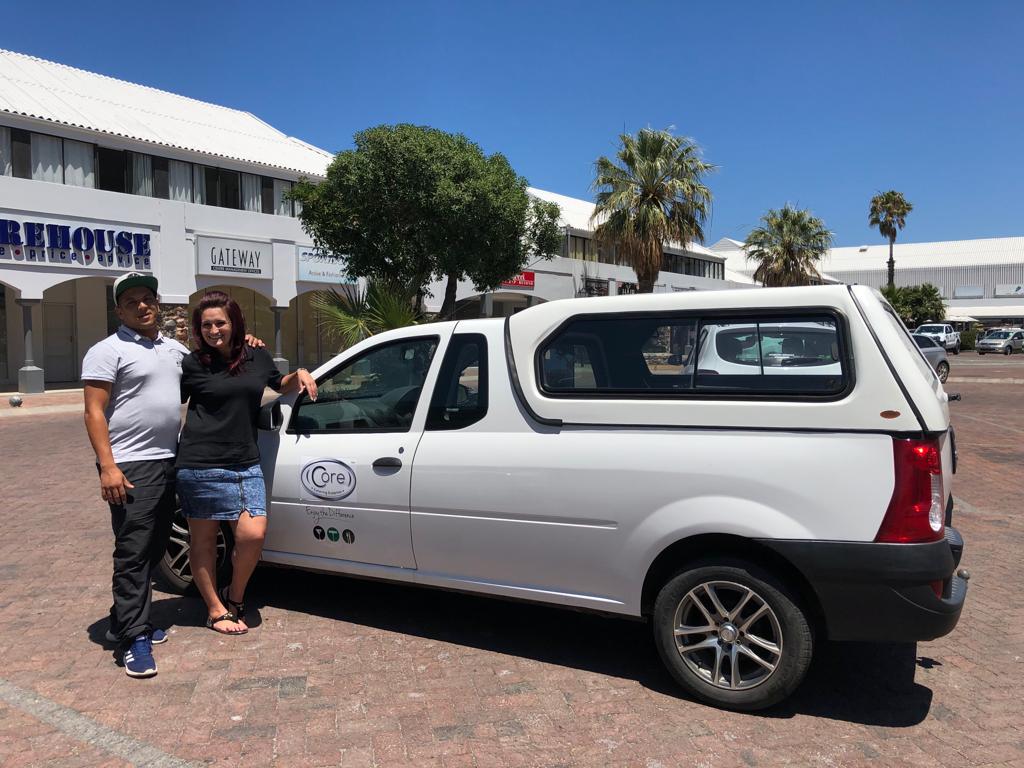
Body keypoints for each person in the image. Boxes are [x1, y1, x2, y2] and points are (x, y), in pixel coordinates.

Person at [83, 273, 264, 678]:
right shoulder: (107, 350)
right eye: (132, 301)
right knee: (133, 550)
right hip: (130, 463)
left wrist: (246, 342)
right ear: (119, 310)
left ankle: (122, 620)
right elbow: (94, 411)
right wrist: (108, 466)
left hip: (172, 459)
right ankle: (134, 638)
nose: (142, 306)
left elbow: (215, 363)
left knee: (153, 547)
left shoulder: (175, 350)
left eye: (148, 299)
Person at [176, 291, 316, 635]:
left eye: (220, 323)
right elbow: (166, 400)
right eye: (206, 325)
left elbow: (278, 383)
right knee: (203, 541)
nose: (213, 330)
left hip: (244, 461)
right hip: (199, 463)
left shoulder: (257, 355)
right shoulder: (192, 363)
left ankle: (235, 596)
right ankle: (215, 609)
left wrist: (299, 374)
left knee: (253, 534)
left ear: (235, 323)